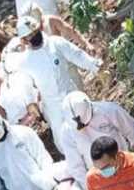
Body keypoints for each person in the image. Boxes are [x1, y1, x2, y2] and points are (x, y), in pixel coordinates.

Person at [15, 15, 101, 154]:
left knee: (90, 123)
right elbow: (25, 85)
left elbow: (77, 55)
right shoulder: (24, 62)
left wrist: (96, 66)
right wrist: (31, 103)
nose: (34, 36)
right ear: (24, 40)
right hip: (53, 106)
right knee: (64, 140)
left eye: (35, 31)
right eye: (30, 35)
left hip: (71, 94)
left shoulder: (56, 43)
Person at [61, 91, 134, 190]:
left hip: (122, 165)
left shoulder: (109, 111)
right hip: (100, 179)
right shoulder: (67, 133)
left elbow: (132, 130)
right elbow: (75, 165)